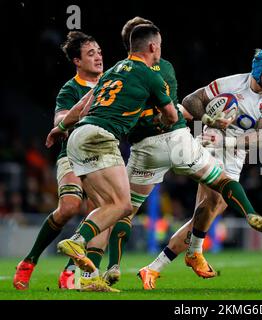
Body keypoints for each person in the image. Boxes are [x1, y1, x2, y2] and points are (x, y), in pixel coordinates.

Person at [45, 23, 179, 292]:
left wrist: (58, 129)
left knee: (103, 207)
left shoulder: (113, 71)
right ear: (153, 48)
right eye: (159, 47)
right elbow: (173, 117)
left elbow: (83, 105)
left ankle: (88, 280)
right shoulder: (151, 75)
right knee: (122, 206)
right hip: (101, 138)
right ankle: (77, 240)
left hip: (77, 136)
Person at [139, 48, 262, 289]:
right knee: (213, 202)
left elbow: (261, 138)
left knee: (209, 209)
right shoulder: (230, 83)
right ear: (258, 70)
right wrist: (210, 122)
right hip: (211, 144)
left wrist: (227, 141)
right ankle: (195, 250)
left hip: (235, 153)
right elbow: (191, 101)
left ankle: (157, 266)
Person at [12, 31, 105, 290]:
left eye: (99, 52)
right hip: (73, 154)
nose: (98, 57)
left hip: (104, 157)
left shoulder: (112, 84)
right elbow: (59, 123)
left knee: (104, 214)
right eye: (90, 53)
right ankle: (29, 261)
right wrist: (91, 102)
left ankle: (71, 272)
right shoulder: (71, 89)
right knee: (70, 207)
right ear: (77, 61)